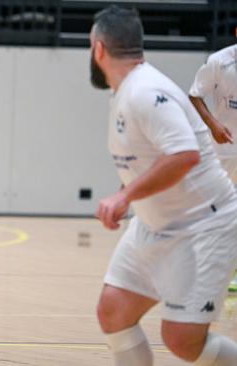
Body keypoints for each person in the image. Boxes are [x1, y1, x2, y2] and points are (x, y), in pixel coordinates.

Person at [89, 6, 237, 366]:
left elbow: (185, 154)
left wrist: (124, 195)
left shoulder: (146, 91)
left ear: (99, 49)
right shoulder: (127, 89)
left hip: (204, 225)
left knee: (182, 339)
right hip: (155, 224)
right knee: (114, 312)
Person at [189, 30, 237, 294]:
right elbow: (195, 94)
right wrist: (213, 124)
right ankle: (208, 268)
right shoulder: (219, 61)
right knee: (217, 211)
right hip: (224, 151)